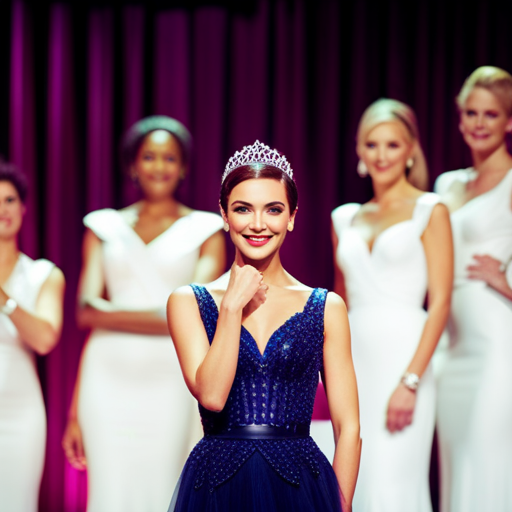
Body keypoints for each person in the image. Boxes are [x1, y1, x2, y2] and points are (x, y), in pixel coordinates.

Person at [166, 140, 361, 512]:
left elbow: (349, 427)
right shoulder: (188, 301)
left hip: (302, 482)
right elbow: (211, 396)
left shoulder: (325, 306)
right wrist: (231, 307)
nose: (258, 224)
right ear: (224, 215)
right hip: (217, 483)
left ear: (291, 217)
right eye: (243, 209)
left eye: (273, 210)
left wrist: (340, 504)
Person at [61, 116, 226, 512]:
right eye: (149, 156)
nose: (159, 166)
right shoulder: (103, 226)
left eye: (169, 158)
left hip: (173, 376)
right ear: (133, 165)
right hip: (106, 375)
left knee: (168, 487)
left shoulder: (206, 229)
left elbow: (197, 313)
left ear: (183, 167)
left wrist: (110, 314)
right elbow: (84, 313)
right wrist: (73, 411)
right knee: (109, 493)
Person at [331, 99, 453, 512]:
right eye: (372, 144)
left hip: (405, 360)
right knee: (354, 479)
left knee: (394, 483)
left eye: (392, 145)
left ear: (410, 150)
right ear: (359, 152)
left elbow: (440, 304)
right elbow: (338, 303)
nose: (381, 155)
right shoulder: (343, 219)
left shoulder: (430, 209)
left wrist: (411, 381)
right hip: (354, 361)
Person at [435, 66, 512, 512]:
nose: (479, 123)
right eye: (471, 112)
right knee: (457, 464)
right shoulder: (448, 184)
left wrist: (505, 278)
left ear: (508, 122)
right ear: (461, 118)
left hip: (495, 340)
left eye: (491, 113)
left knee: (487, 459)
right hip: (449, 341)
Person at [0, 161, 65, 512]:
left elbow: (44, 339)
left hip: (18, 412)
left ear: (23, 208)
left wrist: (4, 298)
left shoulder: (43, 274)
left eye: (9, 200)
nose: (1, 209)